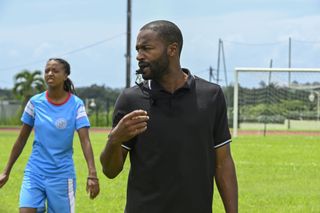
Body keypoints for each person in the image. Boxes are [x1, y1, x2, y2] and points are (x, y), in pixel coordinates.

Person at [100, 20, 238, 213]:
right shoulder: (130, 99)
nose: (139, 56)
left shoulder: (211, 95)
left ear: (172, 49)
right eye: (138, 49)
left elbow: (223, 163)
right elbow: (110, 171)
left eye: (146, 48)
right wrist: (114, 140)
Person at [0, 58, 100, 213]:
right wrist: (6, 171)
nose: (50, 73)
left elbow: (85, 140)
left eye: (55, 70)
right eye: (47, 70)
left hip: (62, 176)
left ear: (66, 75)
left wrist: (92, 174)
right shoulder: (35, 102)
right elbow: (21, 139)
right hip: (35, 172)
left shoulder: (76, 104)